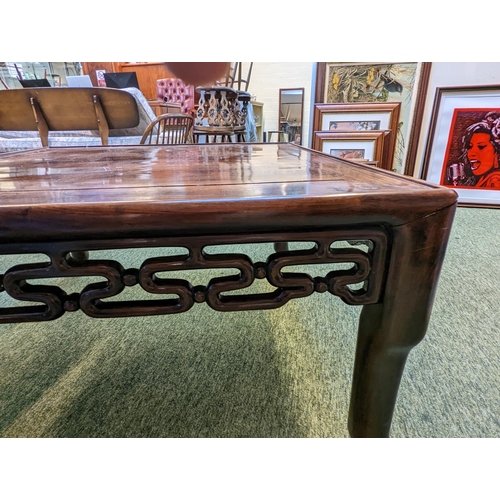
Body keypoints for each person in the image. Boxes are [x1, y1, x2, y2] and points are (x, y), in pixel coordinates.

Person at [444, 111, 500, 188]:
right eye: (470, 147)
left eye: (481, 146)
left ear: (497, 152)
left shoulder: (495, 180)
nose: (471, 153)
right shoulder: (484, 179)